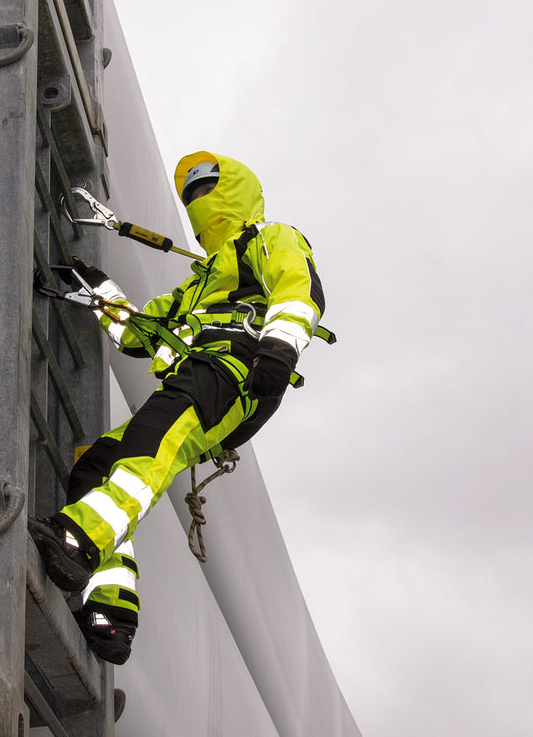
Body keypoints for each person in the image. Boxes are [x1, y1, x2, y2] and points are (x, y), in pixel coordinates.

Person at [29, 151, 327, 664]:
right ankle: (110, 613)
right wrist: (100, 290)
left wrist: (279, 347)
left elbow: (299, 289)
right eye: (189, 192)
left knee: (149, 447)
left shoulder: (269, 238)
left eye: (207, 186)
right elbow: (137, 336)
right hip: (198, 378)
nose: (196, 199)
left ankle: (79, 540)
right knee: (97, 465)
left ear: (234, 189)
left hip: (235, 370)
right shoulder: (198, 283)